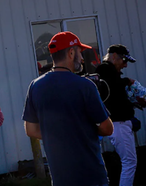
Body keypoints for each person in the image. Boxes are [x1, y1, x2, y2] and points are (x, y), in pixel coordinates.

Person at [22, 31, 114, 186]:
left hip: (60, 177)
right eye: (80, 53)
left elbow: (30, 130)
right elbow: (107, 128)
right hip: (90, 175)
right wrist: (83, 133)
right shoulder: (85, 85)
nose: (83, 59)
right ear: (71, 52)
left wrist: (59, 136)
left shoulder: (35, 86)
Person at [95, 44, 138, 186]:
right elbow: (113, 87)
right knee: (129, 162)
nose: (125, 65)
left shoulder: (111, 73)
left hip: (121, 123)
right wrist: (127, 82)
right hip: (118, 123)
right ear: (114, 56)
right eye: (124, 61)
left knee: (127, 161)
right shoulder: (105, 71)